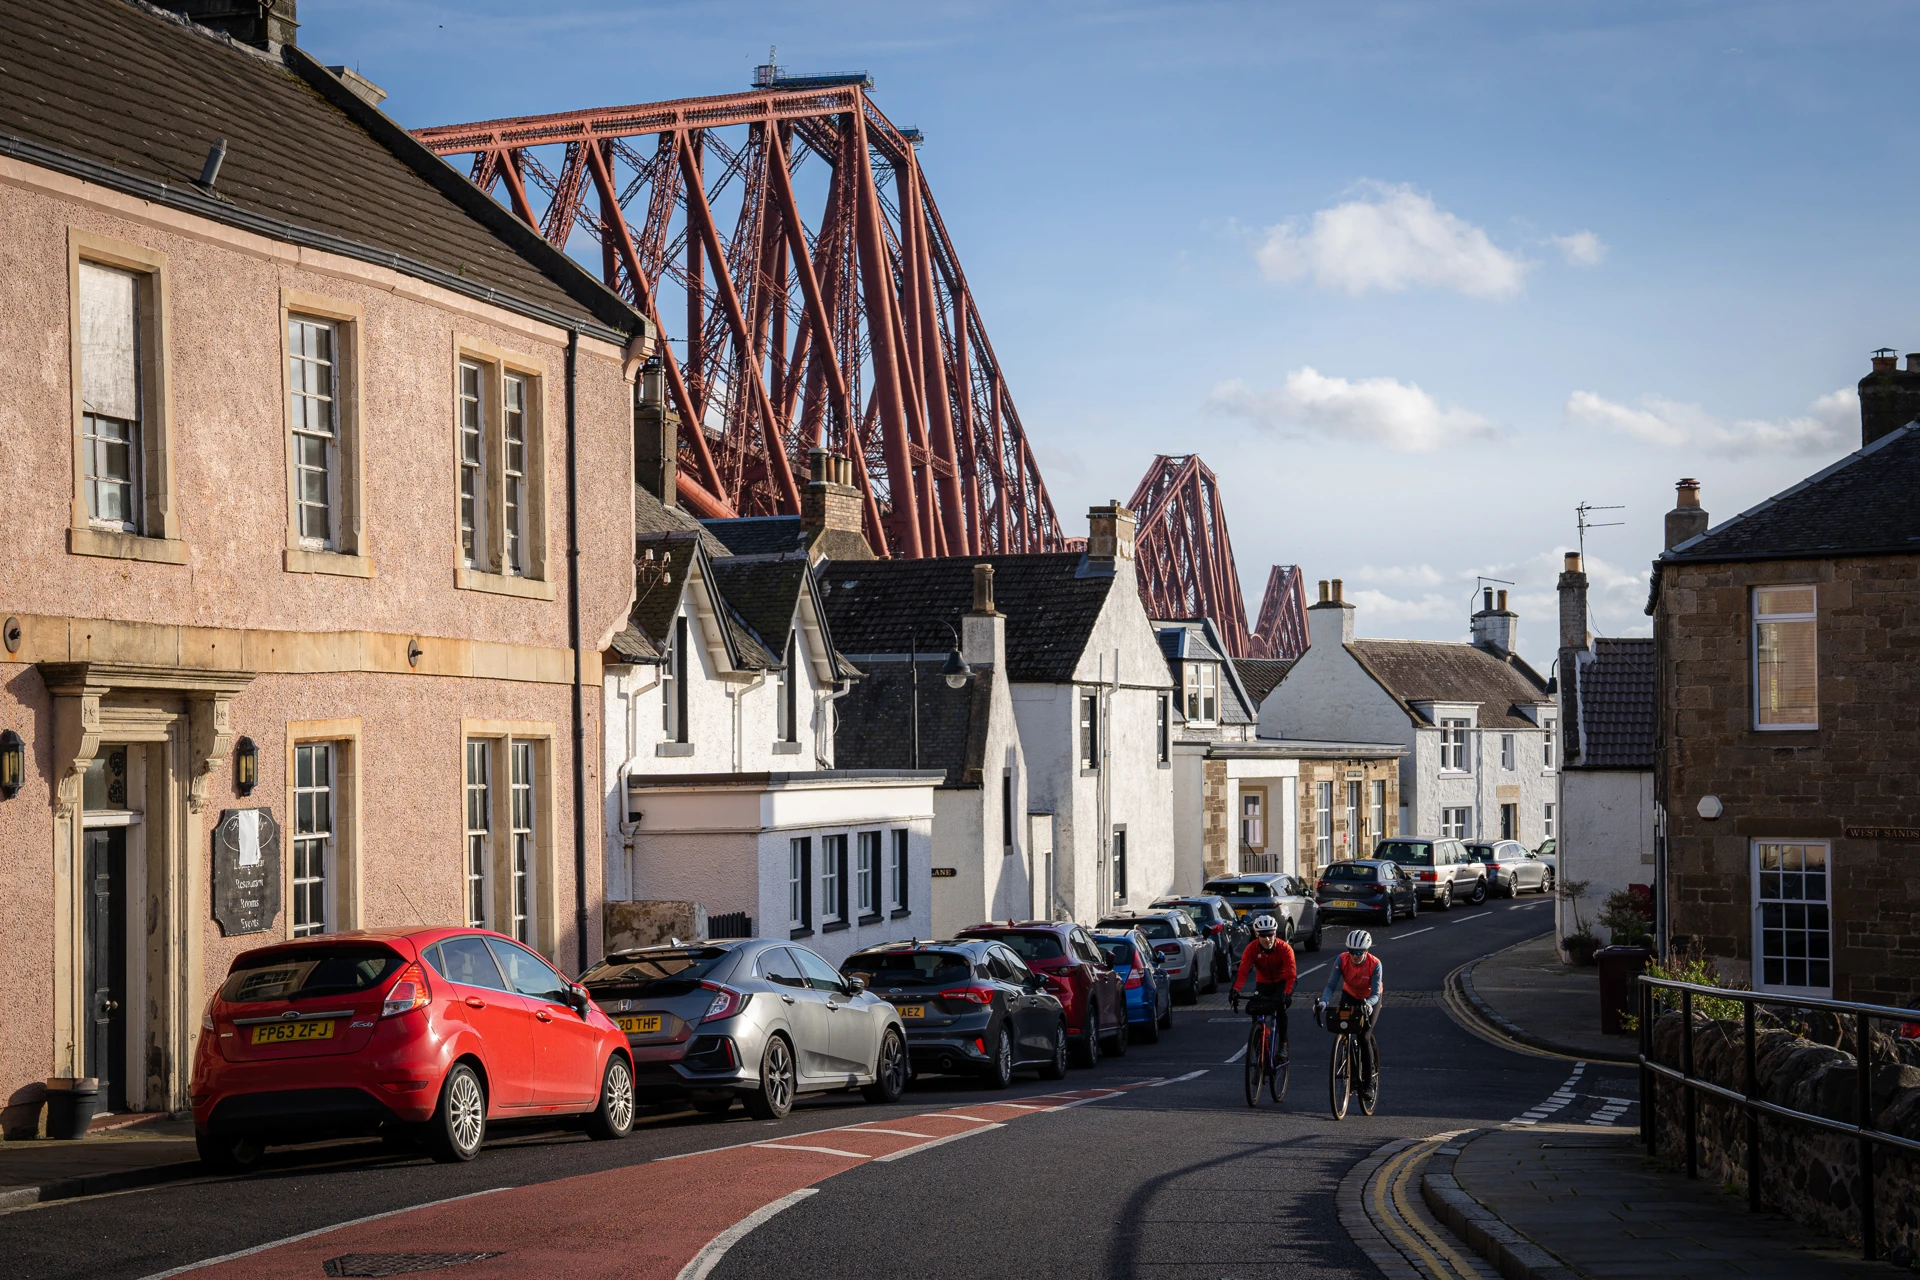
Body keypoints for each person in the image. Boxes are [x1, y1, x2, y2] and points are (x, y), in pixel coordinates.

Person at [1320, 929, 1384, 1104]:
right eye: (1352, 952)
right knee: (1344, 1027)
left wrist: (1368, 1004)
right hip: (1349, 995)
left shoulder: (1375, 964)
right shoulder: (1341, 959)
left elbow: (1377, 993)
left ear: (1366, 951)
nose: (1355, 956)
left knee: (1364, 1035)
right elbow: (1331, 984)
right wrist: (1324, 1002)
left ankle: (1369, 1083)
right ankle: (1350, 1068)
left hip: (1370, 999)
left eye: (1359, 952)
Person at [1228, 914, 1296, 1065]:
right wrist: (1235, 990)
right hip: (1263, 984)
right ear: (1257, 935)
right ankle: (1260, 1056)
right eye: (1263, 935)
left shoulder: (1285, 949)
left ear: (1275, 934)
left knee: (1281, 1009)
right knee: (1255, 1011)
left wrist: (1288, 993)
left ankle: (1283, 1045)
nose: (1267, 939)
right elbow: (1243, 972)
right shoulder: (1251, 949)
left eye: (1270, 934)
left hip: (1281, 983)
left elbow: (1292, 975)